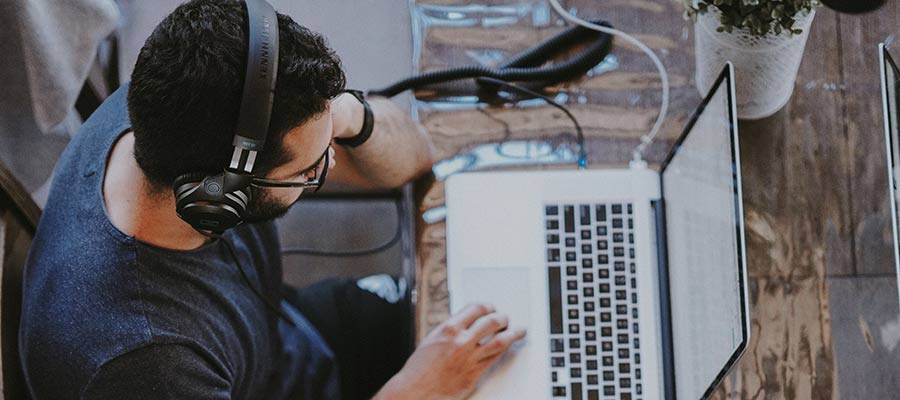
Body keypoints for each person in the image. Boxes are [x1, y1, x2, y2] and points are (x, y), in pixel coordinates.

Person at [18, 0, 526, 399]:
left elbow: (412, 157)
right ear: (218, 196)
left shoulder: (170, 104)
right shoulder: (147, 365)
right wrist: (420, 390)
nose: (328, 167)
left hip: (289, 340)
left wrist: (342, 116)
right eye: (309, 169)